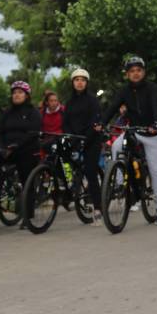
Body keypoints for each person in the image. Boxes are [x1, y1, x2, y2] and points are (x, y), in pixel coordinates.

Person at [103, 56, 157, 223]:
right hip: (134, 131)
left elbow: (156, 106)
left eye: (139, 70)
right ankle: (118, 184)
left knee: (155, 172)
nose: (136, 74)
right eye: (132, 71)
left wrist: (156, 123)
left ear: (144, 72)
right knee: (116, 146)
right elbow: (112, 107)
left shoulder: (152, 88)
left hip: (152, 133)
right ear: (127, 74)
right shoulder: (124, 91)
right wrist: (100, 123)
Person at [64, 69, 104, 222]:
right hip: (75, 139)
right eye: (76, 79)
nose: (79, 82)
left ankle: (98, 207)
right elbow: (65, 123)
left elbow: (95, 122)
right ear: (72, 82)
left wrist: (85, 139)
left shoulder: (93, 100)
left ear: (87, 83)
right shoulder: (69, 102)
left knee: (90, 172)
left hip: (92, 140)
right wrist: (72, 137)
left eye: (83, 80)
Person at [0, 80, 42, 195]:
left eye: (20, 92)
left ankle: (28, 210)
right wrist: (2, 146)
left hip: (26, 150)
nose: (16, 95)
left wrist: (16, 145)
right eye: (14, 92)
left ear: (26, 95)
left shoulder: (33, 112)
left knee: (27, 179)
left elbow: (33, 133)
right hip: (8, 150)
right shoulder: (7, 113)